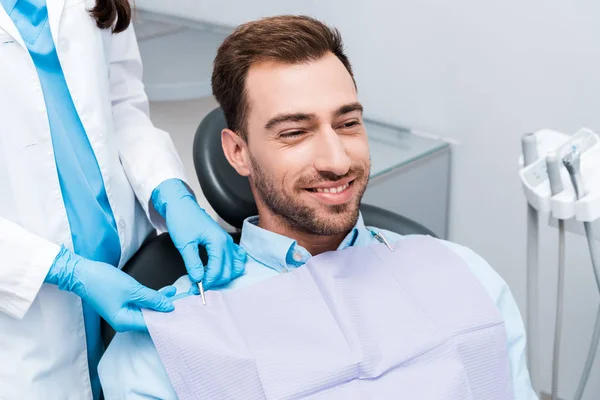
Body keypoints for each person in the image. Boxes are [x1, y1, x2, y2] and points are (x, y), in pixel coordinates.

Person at [98, 15, 536, 399]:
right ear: (238, 153)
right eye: (294, 132)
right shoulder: (165, 343)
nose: (337, 160)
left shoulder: (467, 277)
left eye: (348, 124)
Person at [0, 0, 246, 399]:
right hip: (27, 307)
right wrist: (64, 269)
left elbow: (122, 105)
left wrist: (171, 193)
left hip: (127, 263)